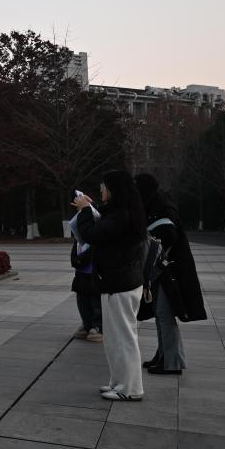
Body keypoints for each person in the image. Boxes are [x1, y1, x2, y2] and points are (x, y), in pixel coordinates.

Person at [73, 170, 147, 401]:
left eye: (104, 187)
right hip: (117, 283)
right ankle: (118, 382)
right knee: (115, 339)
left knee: (124, 338)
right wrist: (91, 207)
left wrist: (86, 211)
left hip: (121, 285)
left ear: (114, 189)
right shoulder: (122, 211)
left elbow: (92, 234)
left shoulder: (123, 215)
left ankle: (131, 389)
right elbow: (105, 222)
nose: (101, 190)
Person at [134, 173, 206, 375]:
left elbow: (166, 237)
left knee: (165, 315)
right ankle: (163, 355)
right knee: (160, 314)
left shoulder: (163, 208)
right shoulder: (154, 205)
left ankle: (172, 362)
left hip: (169, 271)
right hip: (162, 270)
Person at [69, 207, 102, 342]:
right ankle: (87, 324)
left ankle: (97, 326)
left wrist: (80, 260)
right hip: (81, 275)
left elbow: (93, 252)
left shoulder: (96, 235)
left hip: (94, 274)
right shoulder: (79, 239)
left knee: (96, 303)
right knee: (82, 302)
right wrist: (75, 260)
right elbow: (74, 253)